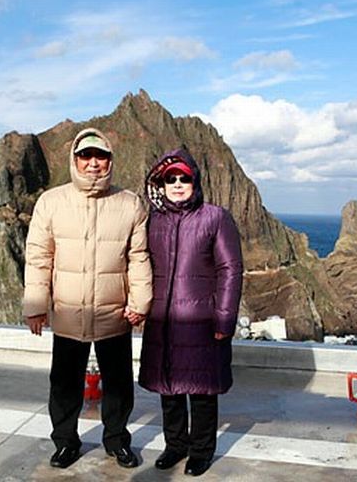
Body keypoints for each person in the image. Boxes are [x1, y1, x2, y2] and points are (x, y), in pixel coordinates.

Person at [22, 128, 152, 470]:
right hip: (68, 311)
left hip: (115, 311)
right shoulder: (51, 202)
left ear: (110, 160)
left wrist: (140, 303)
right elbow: (38, 257)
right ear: (75, 160)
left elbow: (138, 257)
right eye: (86, 156)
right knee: (64, 383)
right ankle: (65, 442)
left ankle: (117, 441)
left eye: (100, 156)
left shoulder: (130, 203)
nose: (93, 163)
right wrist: (35, 305)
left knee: (119, 384)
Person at [138, 149, 243, 477]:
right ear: (160, 184)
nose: (178, 184)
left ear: (194, 181)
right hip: (163, 319)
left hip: (202, 320)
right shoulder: (153, 219)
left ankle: (201, 451)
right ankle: (175, 445)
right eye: (170, 179)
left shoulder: (215, 217)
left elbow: (230, 270)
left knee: (201, 390)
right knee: (168, 387)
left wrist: (224, 318)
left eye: (184, 178)